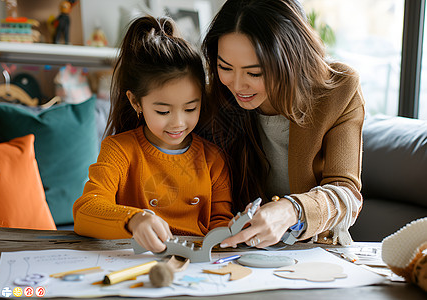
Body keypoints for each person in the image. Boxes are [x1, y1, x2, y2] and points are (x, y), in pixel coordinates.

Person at [201, 0, 364, 249]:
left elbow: (347, 197)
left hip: (313, 251)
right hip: (236, 251)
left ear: (290, 60)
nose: (236, 85)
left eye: (254, 73)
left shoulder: (337, 91)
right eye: (225, 67)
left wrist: (293, 210)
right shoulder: (216, 98)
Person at [73, 16, 233, 253]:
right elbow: (85, 211)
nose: (178, 122)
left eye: (191, 108)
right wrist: (134, 219)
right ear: (136, 102)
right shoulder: (119, 150)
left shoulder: (213, 159)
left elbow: (221, 223)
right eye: (163, 111)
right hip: (134, 263)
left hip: (194, 269)